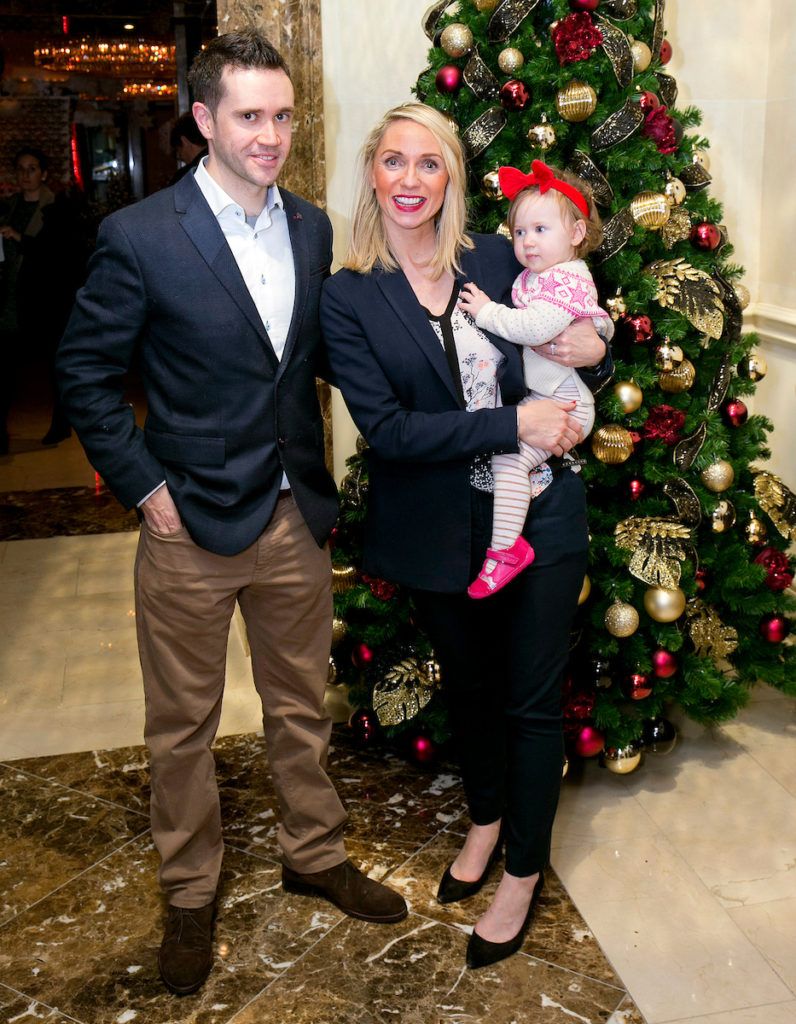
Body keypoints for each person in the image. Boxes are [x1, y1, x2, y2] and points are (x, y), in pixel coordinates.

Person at [57, 31, 406, 998]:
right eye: (250, 116)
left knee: (301, 705)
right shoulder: (140, 237)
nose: (271, 136)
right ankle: (188, 888)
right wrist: (146, 488)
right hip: (189, 524)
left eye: (283, 115)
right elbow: (84, 375)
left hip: (295, 515)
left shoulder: (311, 228)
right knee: (183, 725)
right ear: (203, 120)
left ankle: (315, 851)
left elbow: (308, 362)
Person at [321, 103, 612, 970]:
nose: (411, 181)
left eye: (430, 164)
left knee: (527, 700)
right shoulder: (350, 293)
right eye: (394, 162)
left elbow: (581, 315)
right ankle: (485, 820)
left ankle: (523, 870)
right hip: (437, 530)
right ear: (373, 171)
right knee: (472, 691)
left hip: (543, 514)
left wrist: (593, 344)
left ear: (452, 174)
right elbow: (393, 431)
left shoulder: (496, 255)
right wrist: (515, 422)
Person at [458, 160, 612, 598]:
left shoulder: (567, 280)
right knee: (507, 458)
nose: (526, 242)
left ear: (577, 234)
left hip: (566, 402)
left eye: (540, 230)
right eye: (520, 232)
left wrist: (487, 311)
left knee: (510, 461)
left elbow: (537, 329)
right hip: (545, 397)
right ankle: (505, 546)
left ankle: (505, 550)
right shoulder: (538, 276)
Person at [0, 147, 55, 453]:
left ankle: (60, 423)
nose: (26, 175)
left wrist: (20, 240)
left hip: (42, 298)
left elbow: (56, 253)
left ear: (43, 173)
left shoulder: (55, 207)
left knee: (53, 364)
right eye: (21, 169)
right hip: (9, 295)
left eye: (32, 168)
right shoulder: (9, 207)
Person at [168, 111, 208, 185]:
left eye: (179, 151)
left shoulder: (184, 177)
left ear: (184, 141)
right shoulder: (218, 164)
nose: (181, 157)